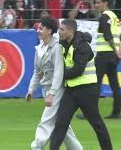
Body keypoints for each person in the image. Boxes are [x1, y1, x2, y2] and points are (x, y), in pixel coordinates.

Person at [50, 18, 113, 150]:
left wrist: (58, 74)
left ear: (70, 31)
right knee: (61, 123)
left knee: (97, 124)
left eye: (62, 29)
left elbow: (78, 71)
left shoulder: (83, 46)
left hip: (87, 91)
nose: (59, 31)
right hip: (71, 90)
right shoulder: (63, 44)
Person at [26, 17, 83, 150]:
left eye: (41, 28)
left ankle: (37, 145)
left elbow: (59, 72)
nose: (38, 31)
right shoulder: (39, 48)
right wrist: (31, 90)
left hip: (57, 90)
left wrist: (52, 93)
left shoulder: (57, 47)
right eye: (38, 28)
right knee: (61, 123)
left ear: (49, 31)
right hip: (46, 89)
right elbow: (37, 72)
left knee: (46, 120)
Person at [76, 0, 121, 120]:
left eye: (98, 2)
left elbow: (108, 36)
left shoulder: (104, 18)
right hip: (113, 55)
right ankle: (117, 112)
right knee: (114, 84)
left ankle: (90, 112)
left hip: (104, 54)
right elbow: (120, 36)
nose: (96, 5)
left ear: (105, 3)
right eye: (95, 2)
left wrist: (116, 51)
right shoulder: (115, 17)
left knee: (94, 84)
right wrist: (119, 51)